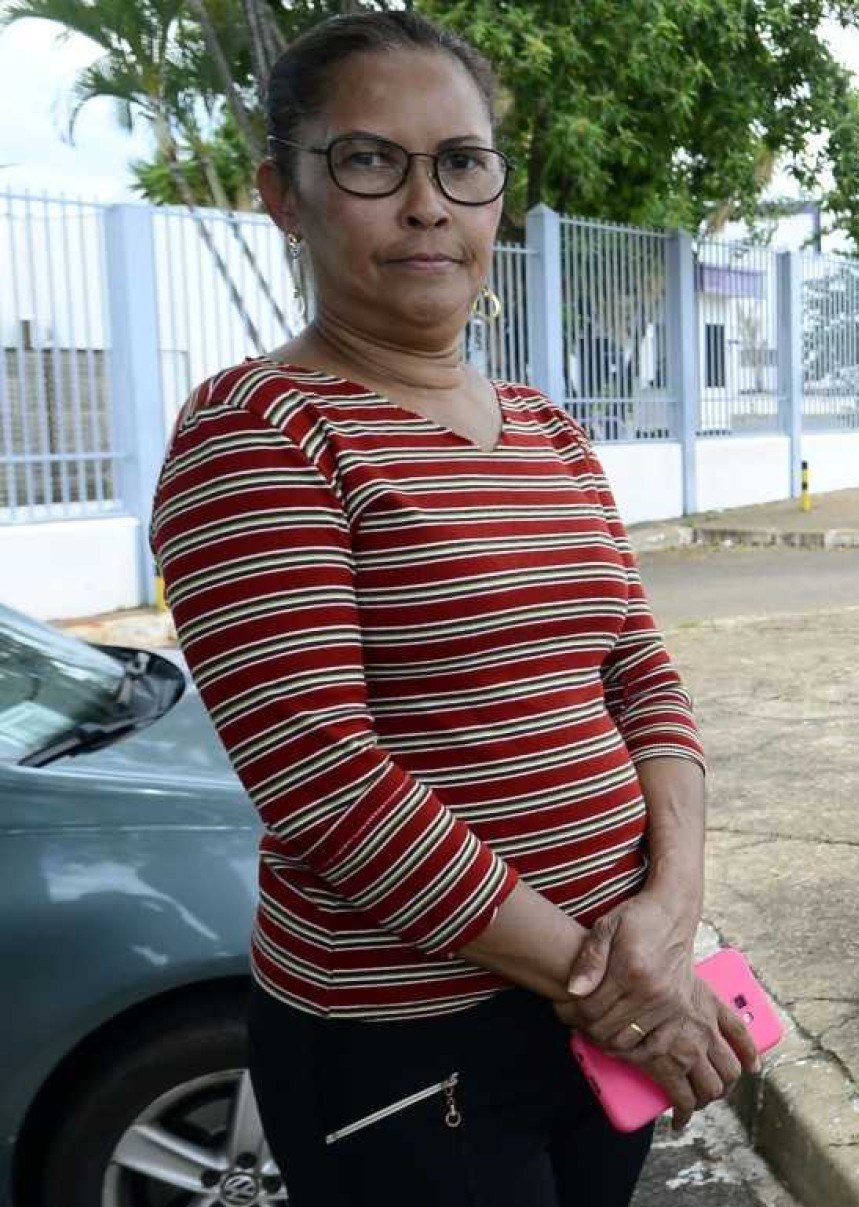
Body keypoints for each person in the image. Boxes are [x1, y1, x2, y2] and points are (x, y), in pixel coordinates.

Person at [149, 13, 754, 1205]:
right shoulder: (262, 436)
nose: (427, 204)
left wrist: (671, 910)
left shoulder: (548, 432)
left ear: (494, 199)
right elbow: (329, 782)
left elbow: (643, 679)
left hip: (601, 1013)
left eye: (462, 163)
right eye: (371, 161)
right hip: (409, 1044)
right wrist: (616, 982)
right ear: (284, 195)